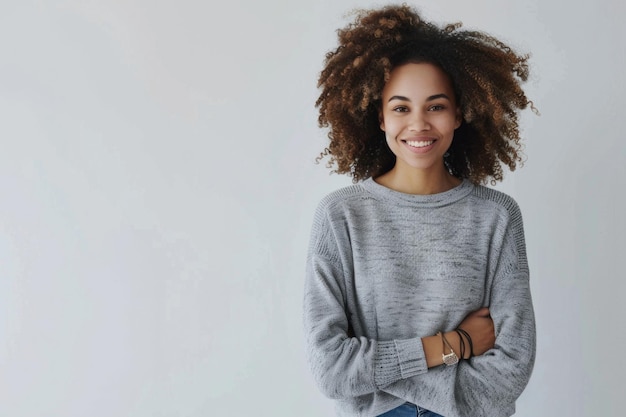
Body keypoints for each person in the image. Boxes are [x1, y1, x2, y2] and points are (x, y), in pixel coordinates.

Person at [303, 4, 537, 417]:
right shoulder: (341, 217)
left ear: (459, 113)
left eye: (436, 105)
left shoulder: (496, 216)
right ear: (379, 117)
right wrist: (455, 346)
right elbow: (331, 370)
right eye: (400, 107)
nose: (419, 124)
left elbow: (512, 364)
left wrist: (386, 375)